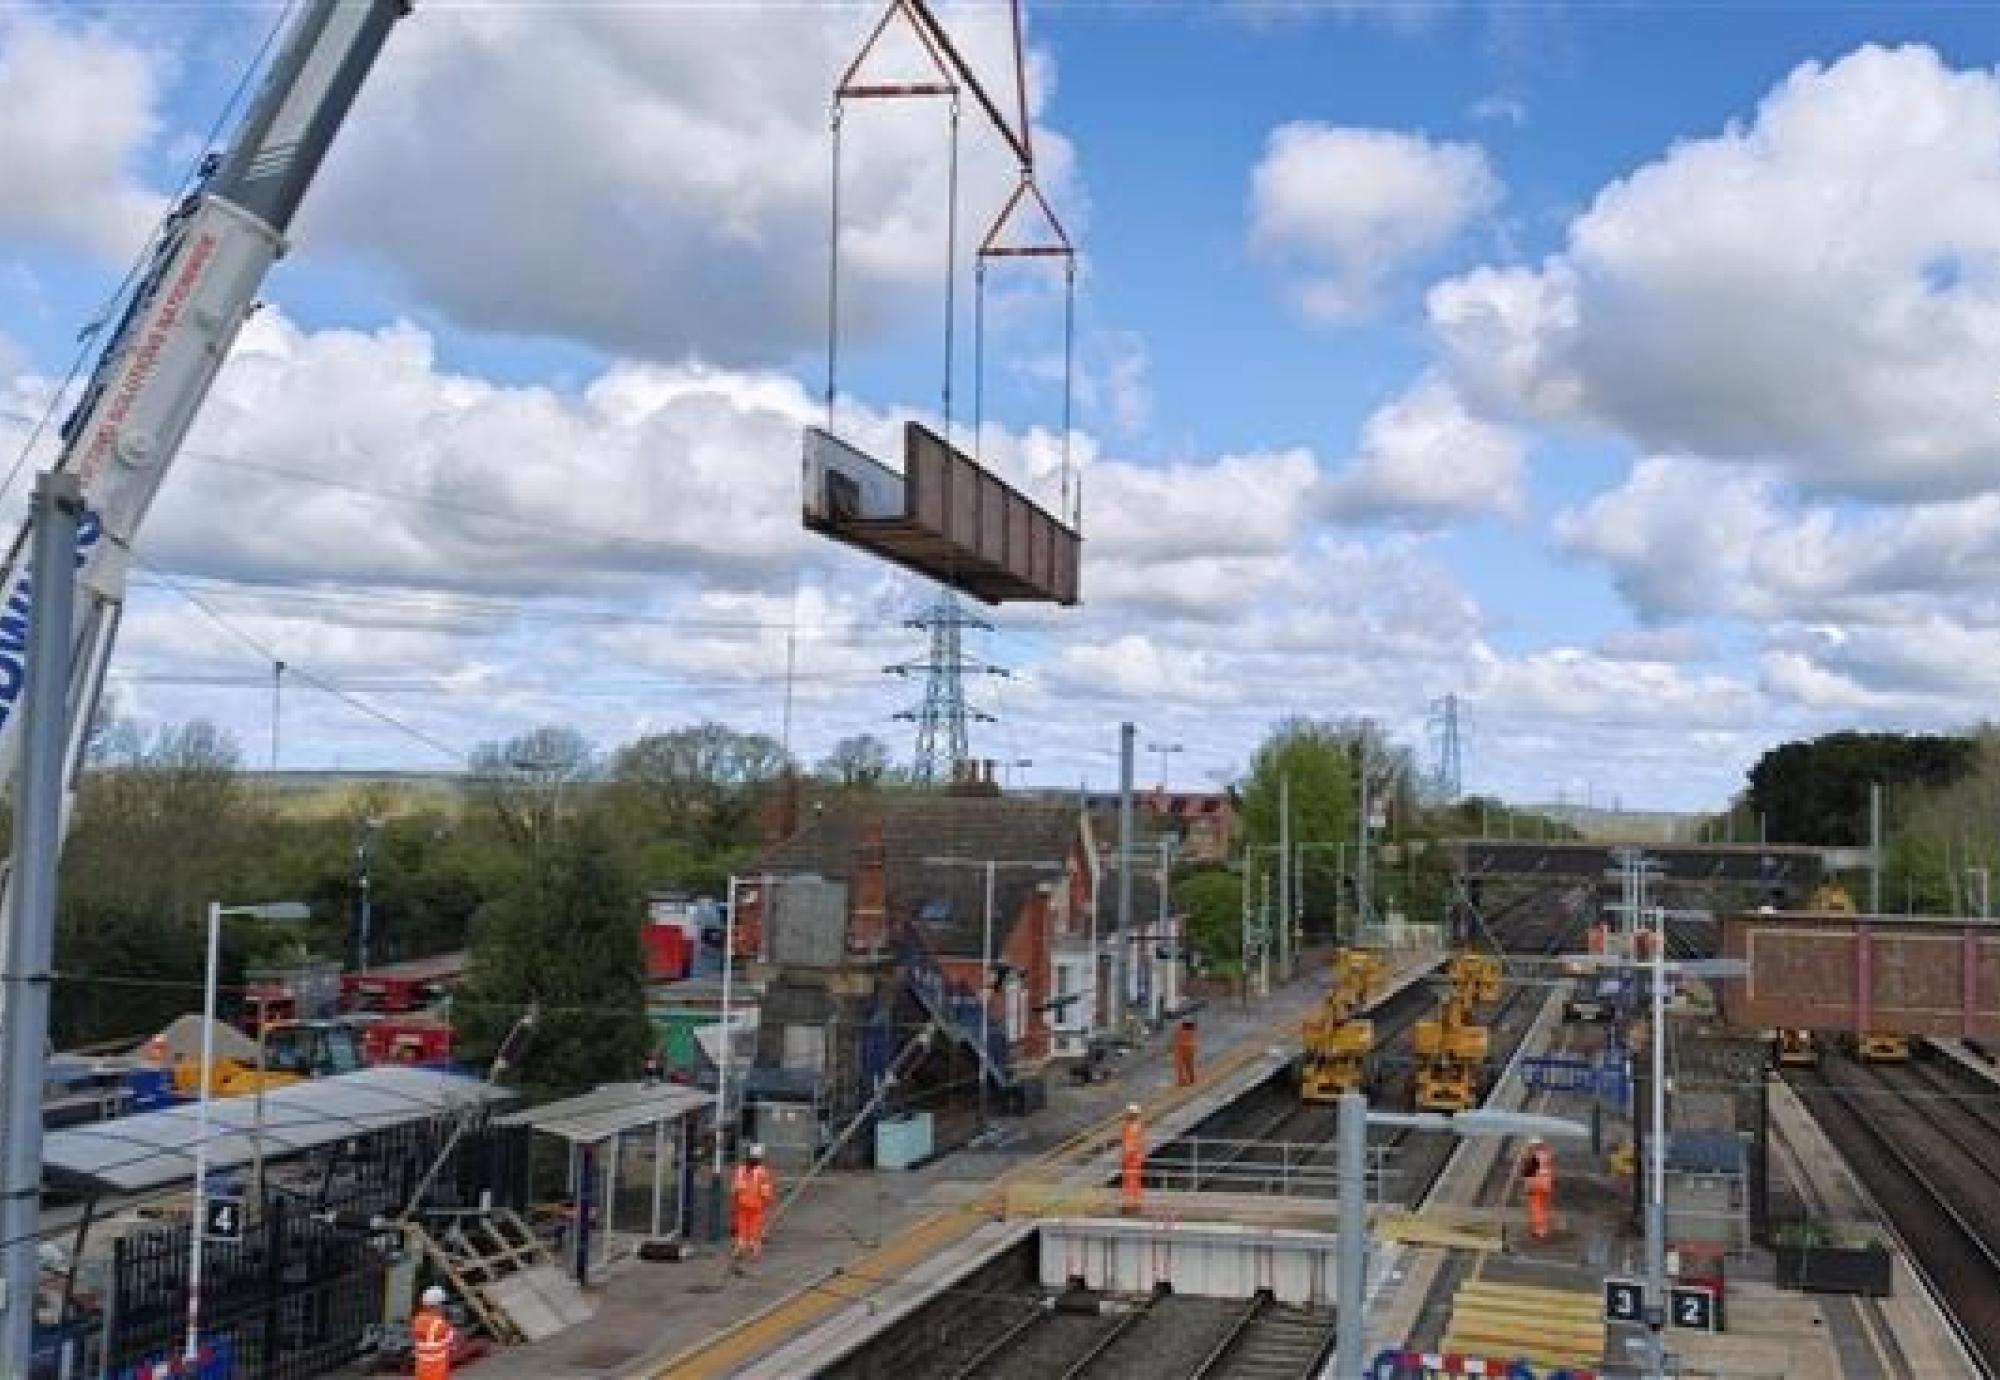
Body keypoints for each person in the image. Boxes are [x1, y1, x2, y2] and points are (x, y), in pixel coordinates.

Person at [731, 1143, 776, 1266]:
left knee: (742, 1225)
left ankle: (741, 1245)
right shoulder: (762, 1172)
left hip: (742, 1202)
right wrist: (768, 1202)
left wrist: (734, 1202)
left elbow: (735, 1188)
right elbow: (765, 1190)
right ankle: (753, 1247)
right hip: (756, 1204)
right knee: (754, 1226)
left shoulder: (740, 1170)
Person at [411, 1284, 455, 1380]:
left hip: (421, 1372)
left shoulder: (417, 1321)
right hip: (437, 1373)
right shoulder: (442, 1325)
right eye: (443, 1304)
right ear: (437, 1305)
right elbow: (451, 1340)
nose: (444, 1307)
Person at [1522, 1139, 1555, 1241]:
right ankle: (1543, 1229)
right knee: (1543, 1209)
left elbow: (1529, 1175)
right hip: (1545, 1186)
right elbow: (1550, 1171)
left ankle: (1539, 1231)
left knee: (1536, 1210)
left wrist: (1526, 1187)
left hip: (1535, 1187)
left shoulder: (1533, 1158)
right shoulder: (1547, 1156)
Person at [1119, 1104, 1145, 1214]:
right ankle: (1135, 1204)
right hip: (1135, 1158)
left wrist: (1125, 1156)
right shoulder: (1136, 1126)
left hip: (1131, 1158)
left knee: (1130, 1182)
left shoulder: (1131, 1127)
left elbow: (1130, 1145)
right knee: (1134, 1182)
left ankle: (1130, 1205)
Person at [1172, 1017, 1198, 1086]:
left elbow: (1192, 1040)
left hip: (1186, 1050)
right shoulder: (1179, 1029)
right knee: (1181, 1065)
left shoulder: (1189, 1031)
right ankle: (1182, 1080)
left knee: (1188, 1065)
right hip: (1181, 1050)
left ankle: (1189, 1078)